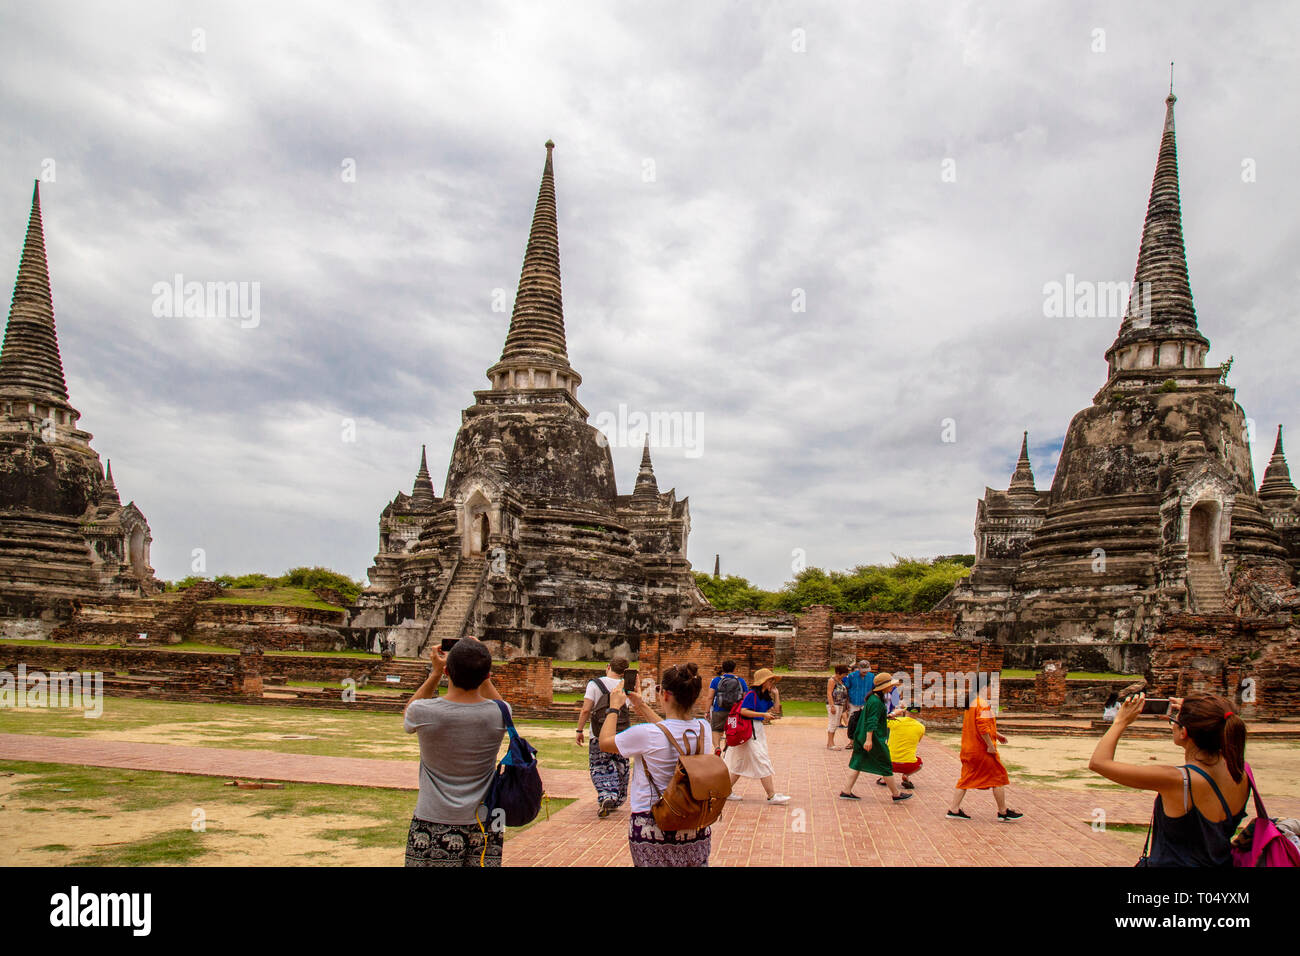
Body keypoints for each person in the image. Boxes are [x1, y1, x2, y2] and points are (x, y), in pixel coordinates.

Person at [1088, 692, 1249, 866]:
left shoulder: (1178, 780)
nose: (1172, 725)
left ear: (1184, 733)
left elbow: (1099, 763)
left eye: (1174, 721)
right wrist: (1199, 710)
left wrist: (1120, 721)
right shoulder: (1240, 772)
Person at [402, 637, 509, 867]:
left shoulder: (425, 712)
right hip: (485, 822)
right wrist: (480, 661)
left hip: (434, 818)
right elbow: (502, 707)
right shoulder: (499, 713)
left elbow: (408, 713)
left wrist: (435, 673)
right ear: (487, 675)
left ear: (448, 671)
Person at [600, 662, 714, 866]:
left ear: (666, 695)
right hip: (694, 823)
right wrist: (641, 706)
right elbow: (668, 731)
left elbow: (605, 743)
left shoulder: (646, 734)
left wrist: (613, 707)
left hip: (652, 823)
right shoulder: (704, 729)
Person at [947, 693, 1022, 822]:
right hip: (981, 749)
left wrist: (997, 735)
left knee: (966, 778)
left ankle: (954, 809)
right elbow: (982, 727)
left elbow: (981, 725)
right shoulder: (981, 703)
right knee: (998, 777)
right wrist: (990, 745)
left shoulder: (972, 702)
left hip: (969, 748)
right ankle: (1003, 812)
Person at [840, 673, 912, 802]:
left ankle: (846, 790)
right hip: (872, 737)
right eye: (890, 685)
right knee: (885, 763)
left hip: (862, 735)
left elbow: (873, 718)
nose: (892, 688)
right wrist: (869, 740)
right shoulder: (876, 701)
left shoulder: (873, 699)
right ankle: (895, 793)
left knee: (857, 762)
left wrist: (888, 716)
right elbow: (871, 721)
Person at [724, 669, 791, 804]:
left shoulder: (764, 696)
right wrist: (763, 714)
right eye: (770, 680)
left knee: (739, 764)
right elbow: (744, 711)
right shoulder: (751, 694)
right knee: (762, 760)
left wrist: (776, 695)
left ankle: (725, 791)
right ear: (763, 682)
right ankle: (771, 795)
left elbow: (776, 710)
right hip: (750, 731)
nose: (772, 683)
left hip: (756, 731)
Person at [574, 656, 631, 817]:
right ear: (624, 672)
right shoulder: (625, 685)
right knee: (621, 765)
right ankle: (617, 797)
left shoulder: (595, 684)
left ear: (608, 667)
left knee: (600, 765)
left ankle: (607, 795)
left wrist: (579, 730)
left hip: (599, 732)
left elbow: (586, 709)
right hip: (621, 733)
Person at [702, 659, 748, 752]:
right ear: (734, 669)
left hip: (719, 709)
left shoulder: (716, 680)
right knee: (731, 730)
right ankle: (728, 749)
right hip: (734, 711)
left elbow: (710, 697)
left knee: (716, 729)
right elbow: (745, 697)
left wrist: (706, 711)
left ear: (723, 669)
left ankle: (717, 747)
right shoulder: (740, 681)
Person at [876, 705, 925, 789]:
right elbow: (918, 741)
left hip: (890, 763)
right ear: (918, 714)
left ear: (905, 711)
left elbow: (880, 720)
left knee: (883, 756)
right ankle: (906, 775)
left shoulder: (896, 721)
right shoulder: (921, 727)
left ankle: (884, 778)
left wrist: (893, 713)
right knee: (920, 763)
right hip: (909, 764)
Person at [840, 660, 875, 750]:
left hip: (866, 703)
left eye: (867, 671)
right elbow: (846, 688)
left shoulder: (872, 677)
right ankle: (852, 741)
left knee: (865, 722)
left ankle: (863, 741)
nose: (865, 673)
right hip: (853, 702)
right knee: (852, 722)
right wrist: (846, 702)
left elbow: (873, 690)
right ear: (859, 669)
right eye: (863, 671)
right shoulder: (852, 676)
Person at [827, 664, 850, 749]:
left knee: (836, 723)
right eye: (844, 674)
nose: (845, 675)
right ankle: (830, 743)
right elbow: (829, 693)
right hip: (834, 704)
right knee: (832, 723)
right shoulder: (832, 680)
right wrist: (832, 705)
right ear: (838, 673)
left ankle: (831, 742)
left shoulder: (841, 681)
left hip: (840, 704)